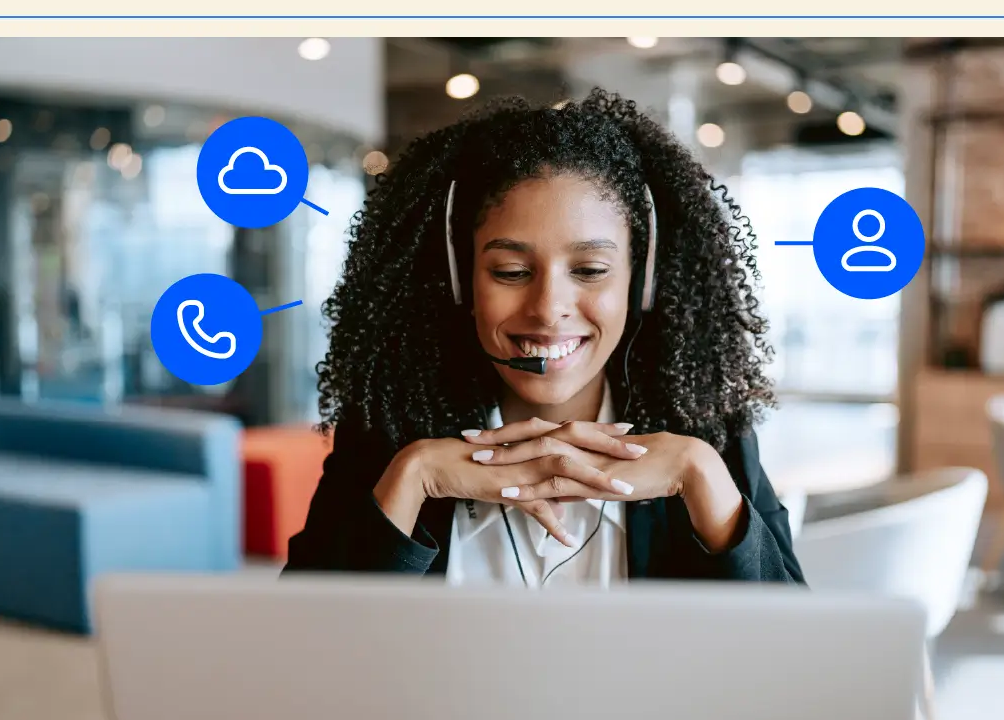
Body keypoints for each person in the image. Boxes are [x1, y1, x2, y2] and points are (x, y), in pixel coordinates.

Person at [282, 88, 804, 586]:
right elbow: (297, 651)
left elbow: (792, 660)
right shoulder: (389, 435)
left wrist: (704, 480)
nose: (549, 309)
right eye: (510, 271)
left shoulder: (709, 437)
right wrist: (413, 478)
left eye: (591, 269)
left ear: (640, 285)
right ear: (462, 282)